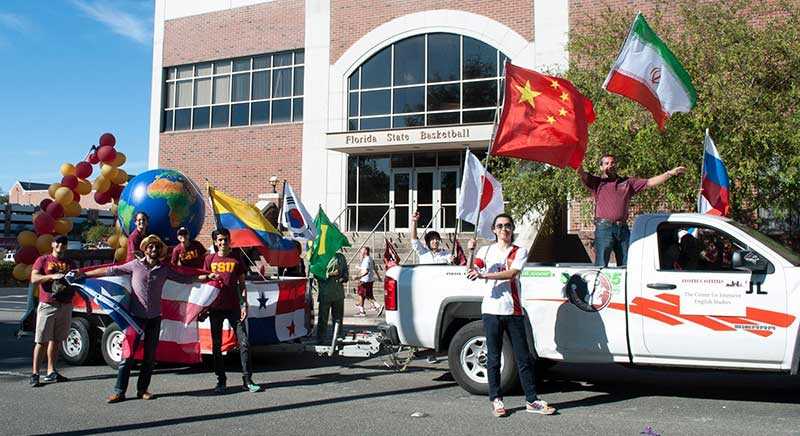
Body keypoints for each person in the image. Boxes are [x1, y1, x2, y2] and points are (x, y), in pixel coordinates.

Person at [75, 235, 215, 403]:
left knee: (149, 358)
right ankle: (119, 391)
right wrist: (84, 273)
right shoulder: (134, 265)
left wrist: (206, 277)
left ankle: (143, 390)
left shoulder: (164, 269)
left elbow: (184, 279)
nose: (153, 249)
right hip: (135, 319)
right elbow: (109, 270)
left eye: (156, 247)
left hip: (154, 319)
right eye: (150, 247)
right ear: (145, 249)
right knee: (127, 355)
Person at [467, 213, 556, 417]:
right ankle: (496, 399)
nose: (504, 229)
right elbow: (471, 271)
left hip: (512, 310)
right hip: (491, 310)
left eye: (507, 226)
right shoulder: (485, 250)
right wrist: (471, 253)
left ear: (512, 228)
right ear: (494, 230)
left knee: (523, 357)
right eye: (499, 226)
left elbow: (512, 274)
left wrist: (485, 275)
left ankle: (532, 400)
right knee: (493, 357)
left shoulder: (519, 251)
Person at [577, 154, 685, 266]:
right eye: (606, 163)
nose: (610, 165)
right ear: (601, 167)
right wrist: (575, 155)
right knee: (601, 264)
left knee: (626, 264)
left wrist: (670, 173)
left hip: (623, 229)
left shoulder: (627, 183)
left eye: (612, 163)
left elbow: (650, 182)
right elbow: (580, 171)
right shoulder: (597, 183)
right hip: (604, 229)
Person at [203, 228, 260, 394]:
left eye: (225, 239)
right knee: (217, 346)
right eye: (220, 240)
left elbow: (242, 284)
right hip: (215, 309)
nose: (223, 242)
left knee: (244, 343)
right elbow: (203, 284)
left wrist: (244, 304)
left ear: (229, 240)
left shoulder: (237, 258)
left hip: (234, 307)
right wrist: (203, 306)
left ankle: (247, 379)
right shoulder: (209, 259)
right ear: (215, 242)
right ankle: (221, 380)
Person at [29, 235, 75, 387]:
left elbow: (76, 278)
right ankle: (35, 374)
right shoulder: (43, 260)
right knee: (41, 341)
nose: (61, 245)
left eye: (64, 243)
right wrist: (51, 276)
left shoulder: (69, 263)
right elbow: (34, 278)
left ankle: (51, 371)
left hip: (65, 305)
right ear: (53, 244)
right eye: (59, 242)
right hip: (48, 304)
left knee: (56, 340)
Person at [316, 250, 347, 343]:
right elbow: (316, 273)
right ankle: (321, 338)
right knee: (323, 318)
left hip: (338, 293)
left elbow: (345, 271)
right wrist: (330, 274)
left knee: (338, 317)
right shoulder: (320, 257)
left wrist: (344, 277)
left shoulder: (341, 257)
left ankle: (338, 336)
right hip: (326, 292)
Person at [353, 246, 382, 316]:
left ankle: (377, 306)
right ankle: (362, 310)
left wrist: (357, 277)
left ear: (365, 251)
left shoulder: (366, 260)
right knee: (365, 295)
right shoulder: (370, 258)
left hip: (364, 280)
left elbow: (366, 271)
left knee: (362, 294)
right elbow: (374, 268)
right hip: (370, 279)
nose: (360, 252)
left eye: (362, 250)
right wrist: (378, 277)